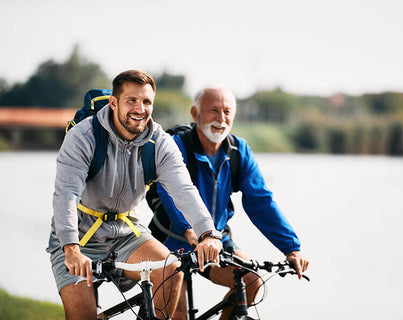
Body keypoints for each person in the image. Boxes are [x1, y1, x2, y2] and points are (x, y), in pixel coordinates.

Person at [46, 70, 222, 320]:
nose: (140, 109)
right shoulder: (83, 137)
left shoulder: (159, 142)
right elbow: (66, 195)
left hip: (127, 231)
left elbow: (183, 189)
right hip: (79, 235)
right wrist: (71, 247)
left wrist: (208, 233)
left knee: (171, 270)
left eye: (147, 102)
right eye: (132, 100)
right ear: (114, 102)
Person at [148, 85, 309, 320]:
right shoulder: (177, 145)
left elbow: (261, 201)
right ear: (195, 114)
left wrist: (291, 248)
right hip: (172, 240)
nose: (221, 119)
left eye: (227, 112)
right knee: (177, 315)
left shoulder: (238, 151)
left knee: (251, 281)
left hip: (215, 240)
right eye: (213, 110)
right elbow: (168, 192)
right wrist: (191, 232)